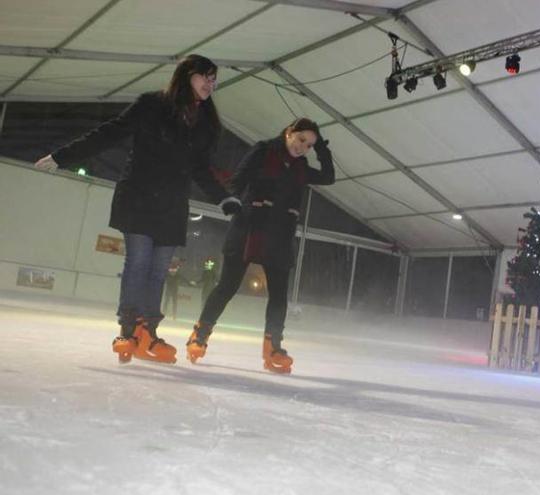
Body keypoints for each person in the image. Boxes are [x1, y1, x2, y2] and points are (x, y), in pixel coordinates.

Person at [34, 54, 241, 364]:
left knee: (159, 270)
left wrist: (223, 198)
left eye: (214, 79)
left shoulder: (206, 124)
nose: (210, 84)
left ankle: (148, 333)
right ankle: (128, 330)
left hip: (172, 204)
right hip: (139, 196)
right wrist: (63, 156)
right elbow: (109, 132)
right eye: (205, 77)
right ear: (187, 75)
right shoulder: (151, 105)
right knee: (139, 261)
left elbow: (200, 169)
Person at [186, 118, 335, 374]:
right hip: (249, 226)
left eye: (309, 145)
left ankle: (273, 348)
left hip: (279, 234)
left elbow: (328, 177)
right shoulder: (264, 150)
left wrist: (322, 148)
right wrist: (232, 202)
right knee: (227, 286)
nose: (303, 147)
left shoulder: (301, 167)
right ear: (289, 133)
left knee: (278, 296)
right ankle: (199, 334)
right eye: (301, 140)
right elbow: (238, 180)